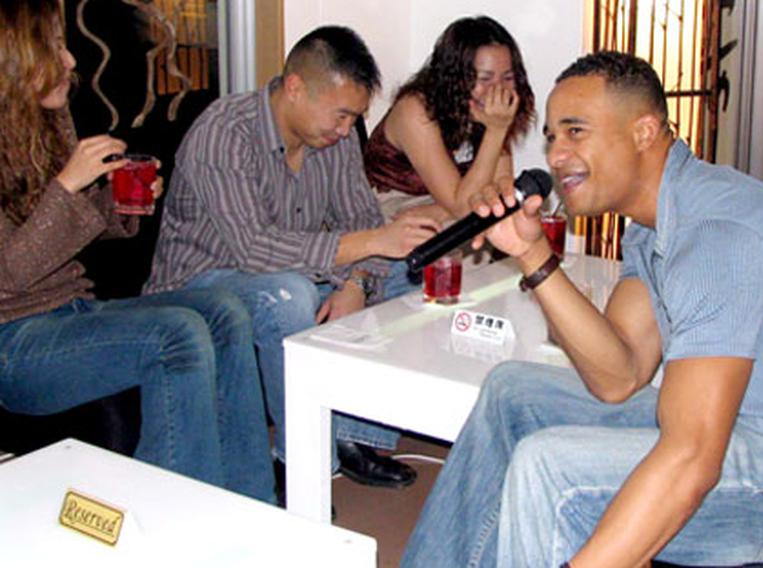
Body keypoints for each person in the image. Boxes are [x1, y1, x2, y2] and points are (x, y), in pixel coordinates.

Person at [402, 51, 763, 567]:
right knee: (510, 392)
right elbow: (619, 374)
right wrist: (531, 254)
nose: (556, 155)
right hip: (735, 428)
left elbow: (693, 459)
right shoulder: (651, 224)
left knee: (548, 468)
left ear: (643, 132)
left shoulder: (718, 232)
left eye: (575, 131)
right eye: (551, 136)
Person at [0, 0, 274, 502]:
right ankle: (182, 525)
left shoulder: (46, 123)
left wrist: (122, 206)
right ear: (16, 57)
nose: (70, 61)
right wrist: (67, 185)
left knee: (225, 312)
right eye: (54, 47)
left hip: (72, 312)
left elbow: (69, 233)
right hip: (13, 343)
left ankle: (252, 504)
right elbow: (12, 273)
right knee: (176, 335)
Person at [144, 26, 439, 488]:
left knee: (410, 269)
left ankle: (350, 436)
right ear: (296, 88)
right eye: (341, 116)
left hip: (288, 269)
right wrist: (371, 245)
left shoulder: (334, 141)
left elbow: (362, 218)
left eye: (354, 119)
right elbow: (255, 248)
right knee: (288, 296)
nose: (347, 131)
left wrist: (356, 283)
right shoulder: (225, 131)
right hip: (198, 285)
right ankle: (299, 461)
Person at [363, 15, 535, 227]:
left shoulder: (492, 113)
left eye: (508, 78)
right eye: (484, 79)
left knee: (508, 223)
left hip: (454, 206)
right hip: (393, 206)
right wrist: (496, 131)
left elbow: (502, 189)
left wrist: (442, 211)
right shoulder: (414, 110)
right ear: (455, 77)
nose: (497, 90)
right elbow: (462, 206)